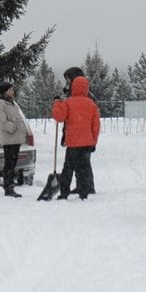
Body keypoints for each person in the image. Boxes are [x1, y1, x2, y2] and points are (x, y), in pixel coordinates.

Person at [51, 68, 101, 199]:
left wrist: (57, 103)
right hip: (86, 141)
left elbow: (59, 116)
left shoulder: (68, 101)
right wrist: (93, 141)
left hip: (73, 140)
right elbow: (96, 126)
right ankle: (84, 190)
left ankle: (65, 191)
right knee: (83, 166)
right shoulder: (91, 103)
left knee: (68, 167)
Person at [0, 84, 31, 197]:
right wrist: (14, 126)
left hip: (15, 138)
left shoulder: (12, 103)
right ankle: (8, 187)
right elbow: (3, 122)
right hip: (9, 138)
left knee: (13, 163)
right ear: (5, 92)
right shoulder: (1, 104)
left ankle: (10, 185)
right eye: (10, 89)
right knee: (9, 164)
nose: (13, 91)